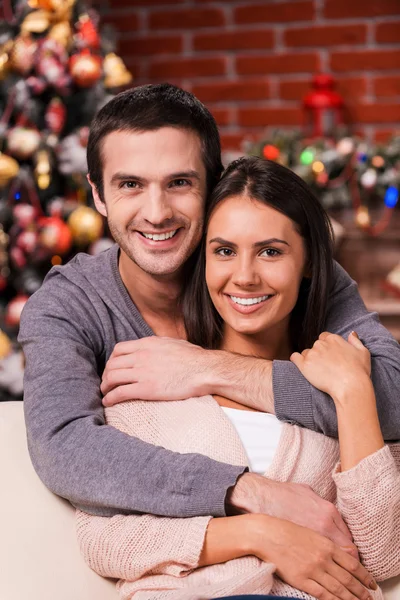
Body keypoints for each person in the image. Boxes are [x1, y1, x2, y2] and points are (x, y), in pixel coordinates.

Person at [19, 84, 400, 541]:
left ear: (212, 184)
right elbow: (66, 448)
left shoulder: (279, 272)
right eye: (130, 185)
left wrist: (211, 369)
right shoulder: (70, 306)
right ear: (98, 195)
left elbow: (392, 398)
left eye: (179, 183)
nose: (156, 213)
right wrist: (248, 493)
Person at [76, 157, 400, 600]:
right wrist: (258, 534)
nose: (244, 277)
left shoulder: (337, 390)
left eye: (270, 251)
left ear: (308, 262)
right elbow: (105, 541)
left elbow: (383, 554)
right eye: (224, 251)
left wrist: (352, 391)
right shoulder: (150, 388)